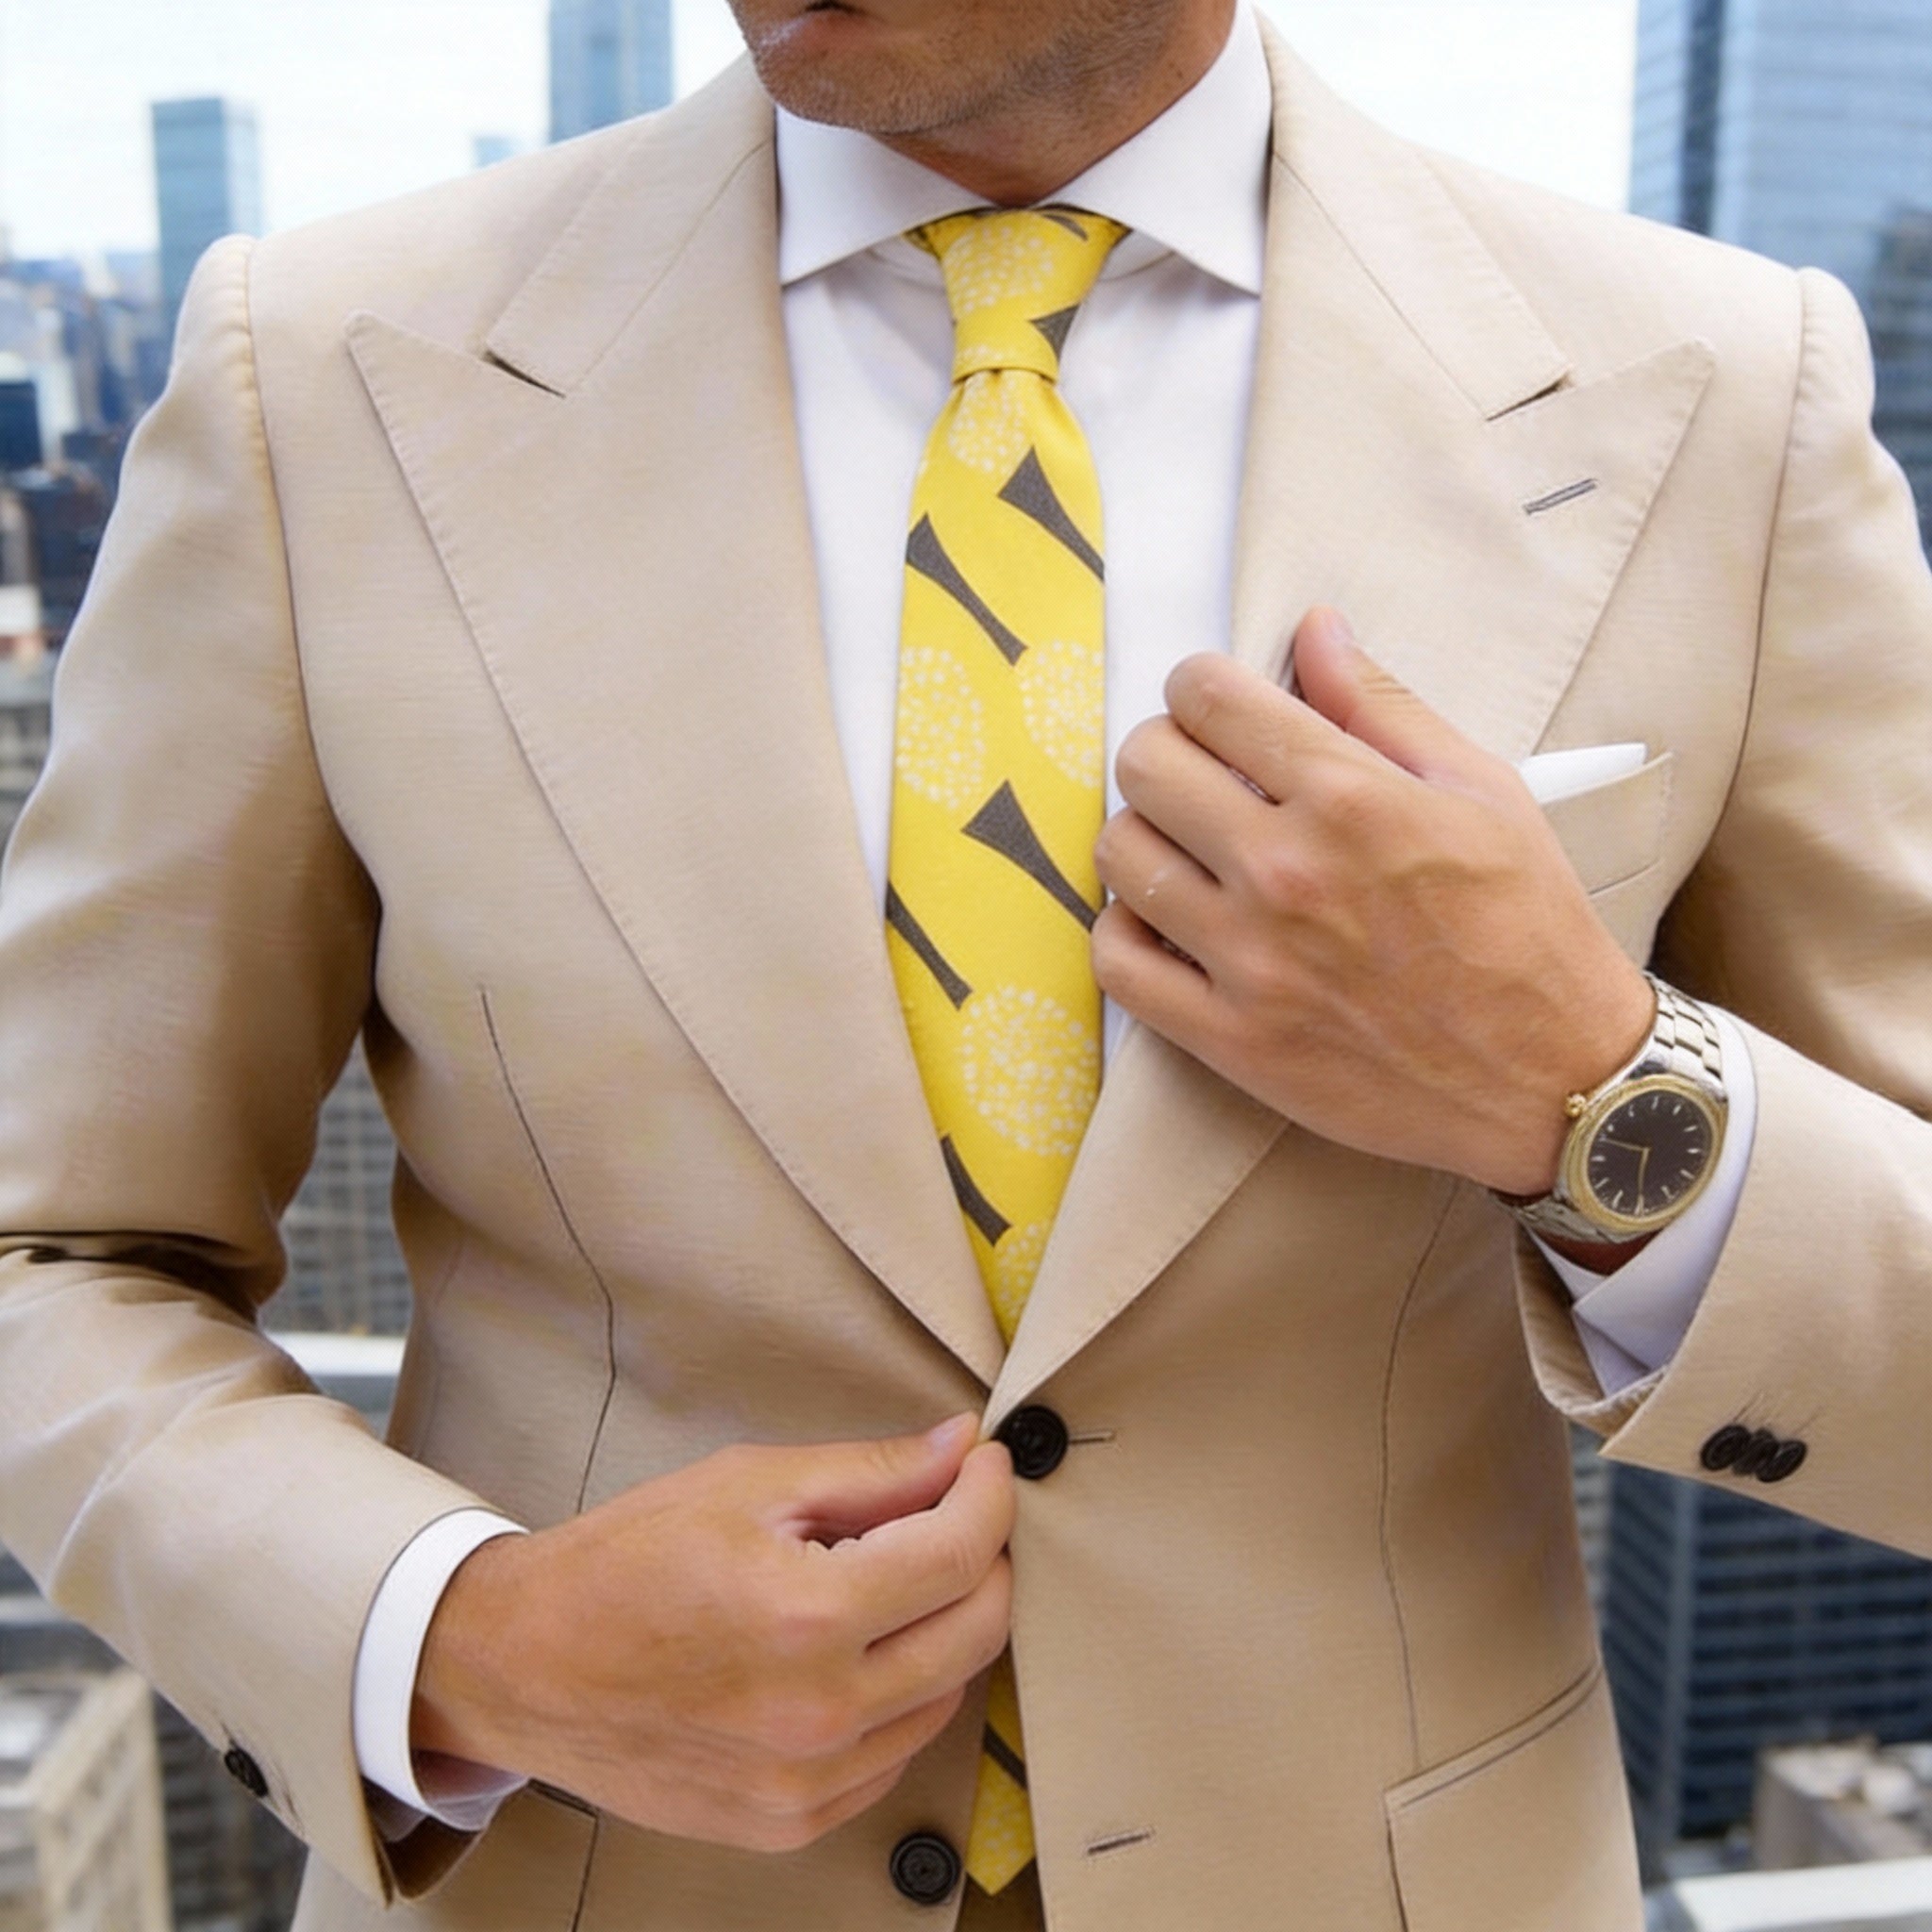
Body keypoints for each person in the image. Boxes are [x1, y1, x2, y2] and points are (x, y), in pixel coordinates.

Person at [0, 0, 1927, 1927]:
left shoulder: (1719, 397)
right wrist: (461, 1640)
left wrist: (1593, 1091)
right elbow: (51, 1252)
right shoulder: (321, 379)